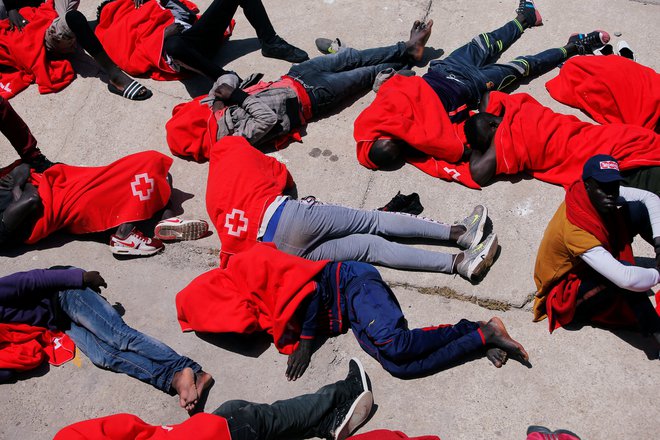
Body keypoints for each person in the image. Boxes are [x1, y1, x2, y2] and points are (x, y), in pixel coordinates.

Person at [176, 243, 529, 380]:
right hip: (348, 313)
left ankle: (480, 327)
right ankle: (480, 338)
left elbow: (311, 291)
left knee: (396, 345)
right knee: (398, 368)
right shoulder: (248, 298)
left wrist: (306, 343)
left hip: (352, 283)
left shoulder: (250, 268)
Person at [354, 0, 610, 180]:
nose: (389, 143)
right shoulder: (424, 141)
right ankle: (574, 47)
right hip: (471, 85)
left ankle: (525, 18)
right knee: (522, 66)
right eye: (391, 148)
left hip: (444, 69)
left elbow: (403, 82)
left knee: (486, 42)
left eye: (384, 144)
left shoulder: (379, 118)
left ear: (377, 139)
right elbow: (458, 149)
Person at [206, 136, 498, 281]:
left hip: (278, 252)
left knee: (372, 250)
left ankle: (457, 264)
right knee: (372, 221)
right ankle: (460, 233)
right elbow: (281, 174)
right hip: (286, 215)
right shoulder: (233, 148)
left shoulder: (211, 196)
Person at [166, 20, 433, 159]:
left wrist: (218, 98)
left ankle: (405, 49)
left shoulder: (215, 109)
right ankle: (401, 63)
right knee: (365, 73)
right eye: (205, 115)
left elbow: (227, 77)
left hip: (296, 76)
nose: (208, 109)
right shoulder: (233, 140)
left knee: (351, 57)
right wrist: (237, 98)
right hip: (313, 97)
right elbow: (267, 119)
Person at [0, 267, 214, 412]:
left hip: (65, 293)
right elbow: (7, 370)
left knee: (118, 337)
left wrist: (80, 277)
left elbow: (30, 280)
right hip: (59, 322)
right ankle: (177, 379)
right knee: (103, 356)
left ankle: (189, 368)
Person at [55, 358, 374, 440]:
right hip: (210, 435)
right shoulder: (69, 437)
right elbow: (129, 426)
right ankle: (345, 393)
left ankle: (328, 422)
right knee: (255, 417)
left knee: (246, 416)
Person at [532, 155, 660, 354]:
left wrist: (659, 246)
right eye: (604, 187)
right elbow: (625, 279)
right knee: (624, 277)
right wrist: (657, 274)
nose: (611, 194)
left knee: (637, 210)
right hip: (565, 290)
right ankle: (656, 330)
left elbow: (650, 198)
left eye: (614, 186)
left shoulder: (590, 192)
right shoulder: (576, 230)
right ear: (588, 185)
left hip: (586, 262)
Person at [463, 91, 660, 190]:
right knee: (631, 142)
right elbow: (487, 97)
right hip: (597, 137)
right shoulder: (514, 107)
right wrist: (486, 132)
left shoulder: (501, 145)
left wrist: (480, 147)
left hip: (584, 148)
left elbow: (478, 173)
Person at [1, 0, 152, 99]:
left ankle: (74, 28)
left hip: (48, 7)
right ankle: (115, 76)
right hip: (35, 31)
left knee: (72, 21)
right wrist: (11, 9)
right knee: (74, 19)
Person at [161, 0, 308, 80]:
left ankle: (270, 43)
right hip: (181, 54)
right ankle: (226, 81)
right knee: (174, 45)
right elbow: (140, 47)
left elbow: (187, 13)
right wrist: (164, 35)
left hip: (197, 34)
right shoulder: (138, 9)